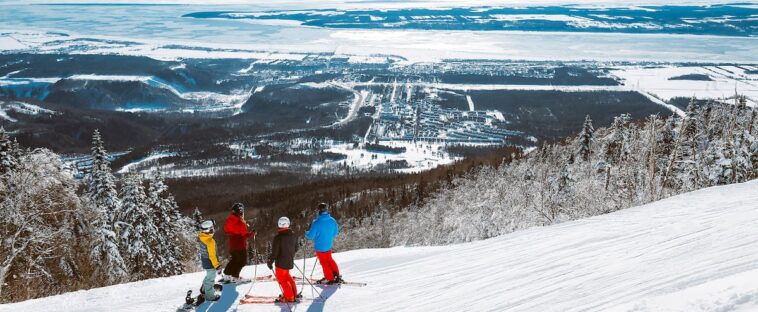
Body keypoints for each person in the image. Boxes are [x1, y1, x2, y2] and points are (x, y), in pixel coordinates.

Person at [305, 203, 342, 284]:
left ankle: (330, 278)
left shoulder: (316, 222)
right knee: (329, 260)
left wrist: (306, 233)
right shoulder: (332, 220)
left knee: (324, 262)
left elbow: (310, 236)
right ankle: (336, 275)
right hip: (328, 245)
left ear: (319, 211)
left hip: (320, 247)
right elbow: (335, 233)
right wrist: (327, 236)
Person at [267, 217, 299, 303]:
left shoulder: (278, 238)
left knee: (282, 280)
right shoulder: (293, 235)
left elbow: (275, 252)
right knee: (287, 277)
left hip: (281, 262)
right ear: (288, 224)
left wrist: (270, 261)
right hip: (289, 261)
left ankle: (289, 297)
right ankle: (293, 293)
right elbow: (296, 248)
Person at [223, 203, 254, 283]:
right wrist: (251, 234)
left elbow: (227, 230)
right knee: (242, 261)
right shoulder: (238, 221)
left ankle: (227, 274)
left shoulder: (231, 220)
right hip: (239, 246)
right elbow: (243, 234)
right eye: (242, 211)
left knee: (234, 260)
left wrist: (249, 233)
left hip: (233, 245)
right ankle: (235, 276)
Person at [196, 220, 223, 305]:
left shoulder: (202, 237)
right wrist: (217, 266)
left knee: (208, 276)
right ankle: (210, 296)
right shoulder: (210, 241)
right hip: (210, 263)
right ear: (208, 230)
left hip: (205, 261)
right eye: (212, 229)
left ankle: (204, 289)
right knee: (210, 279)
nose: (213, 230)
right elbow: (212, 255)